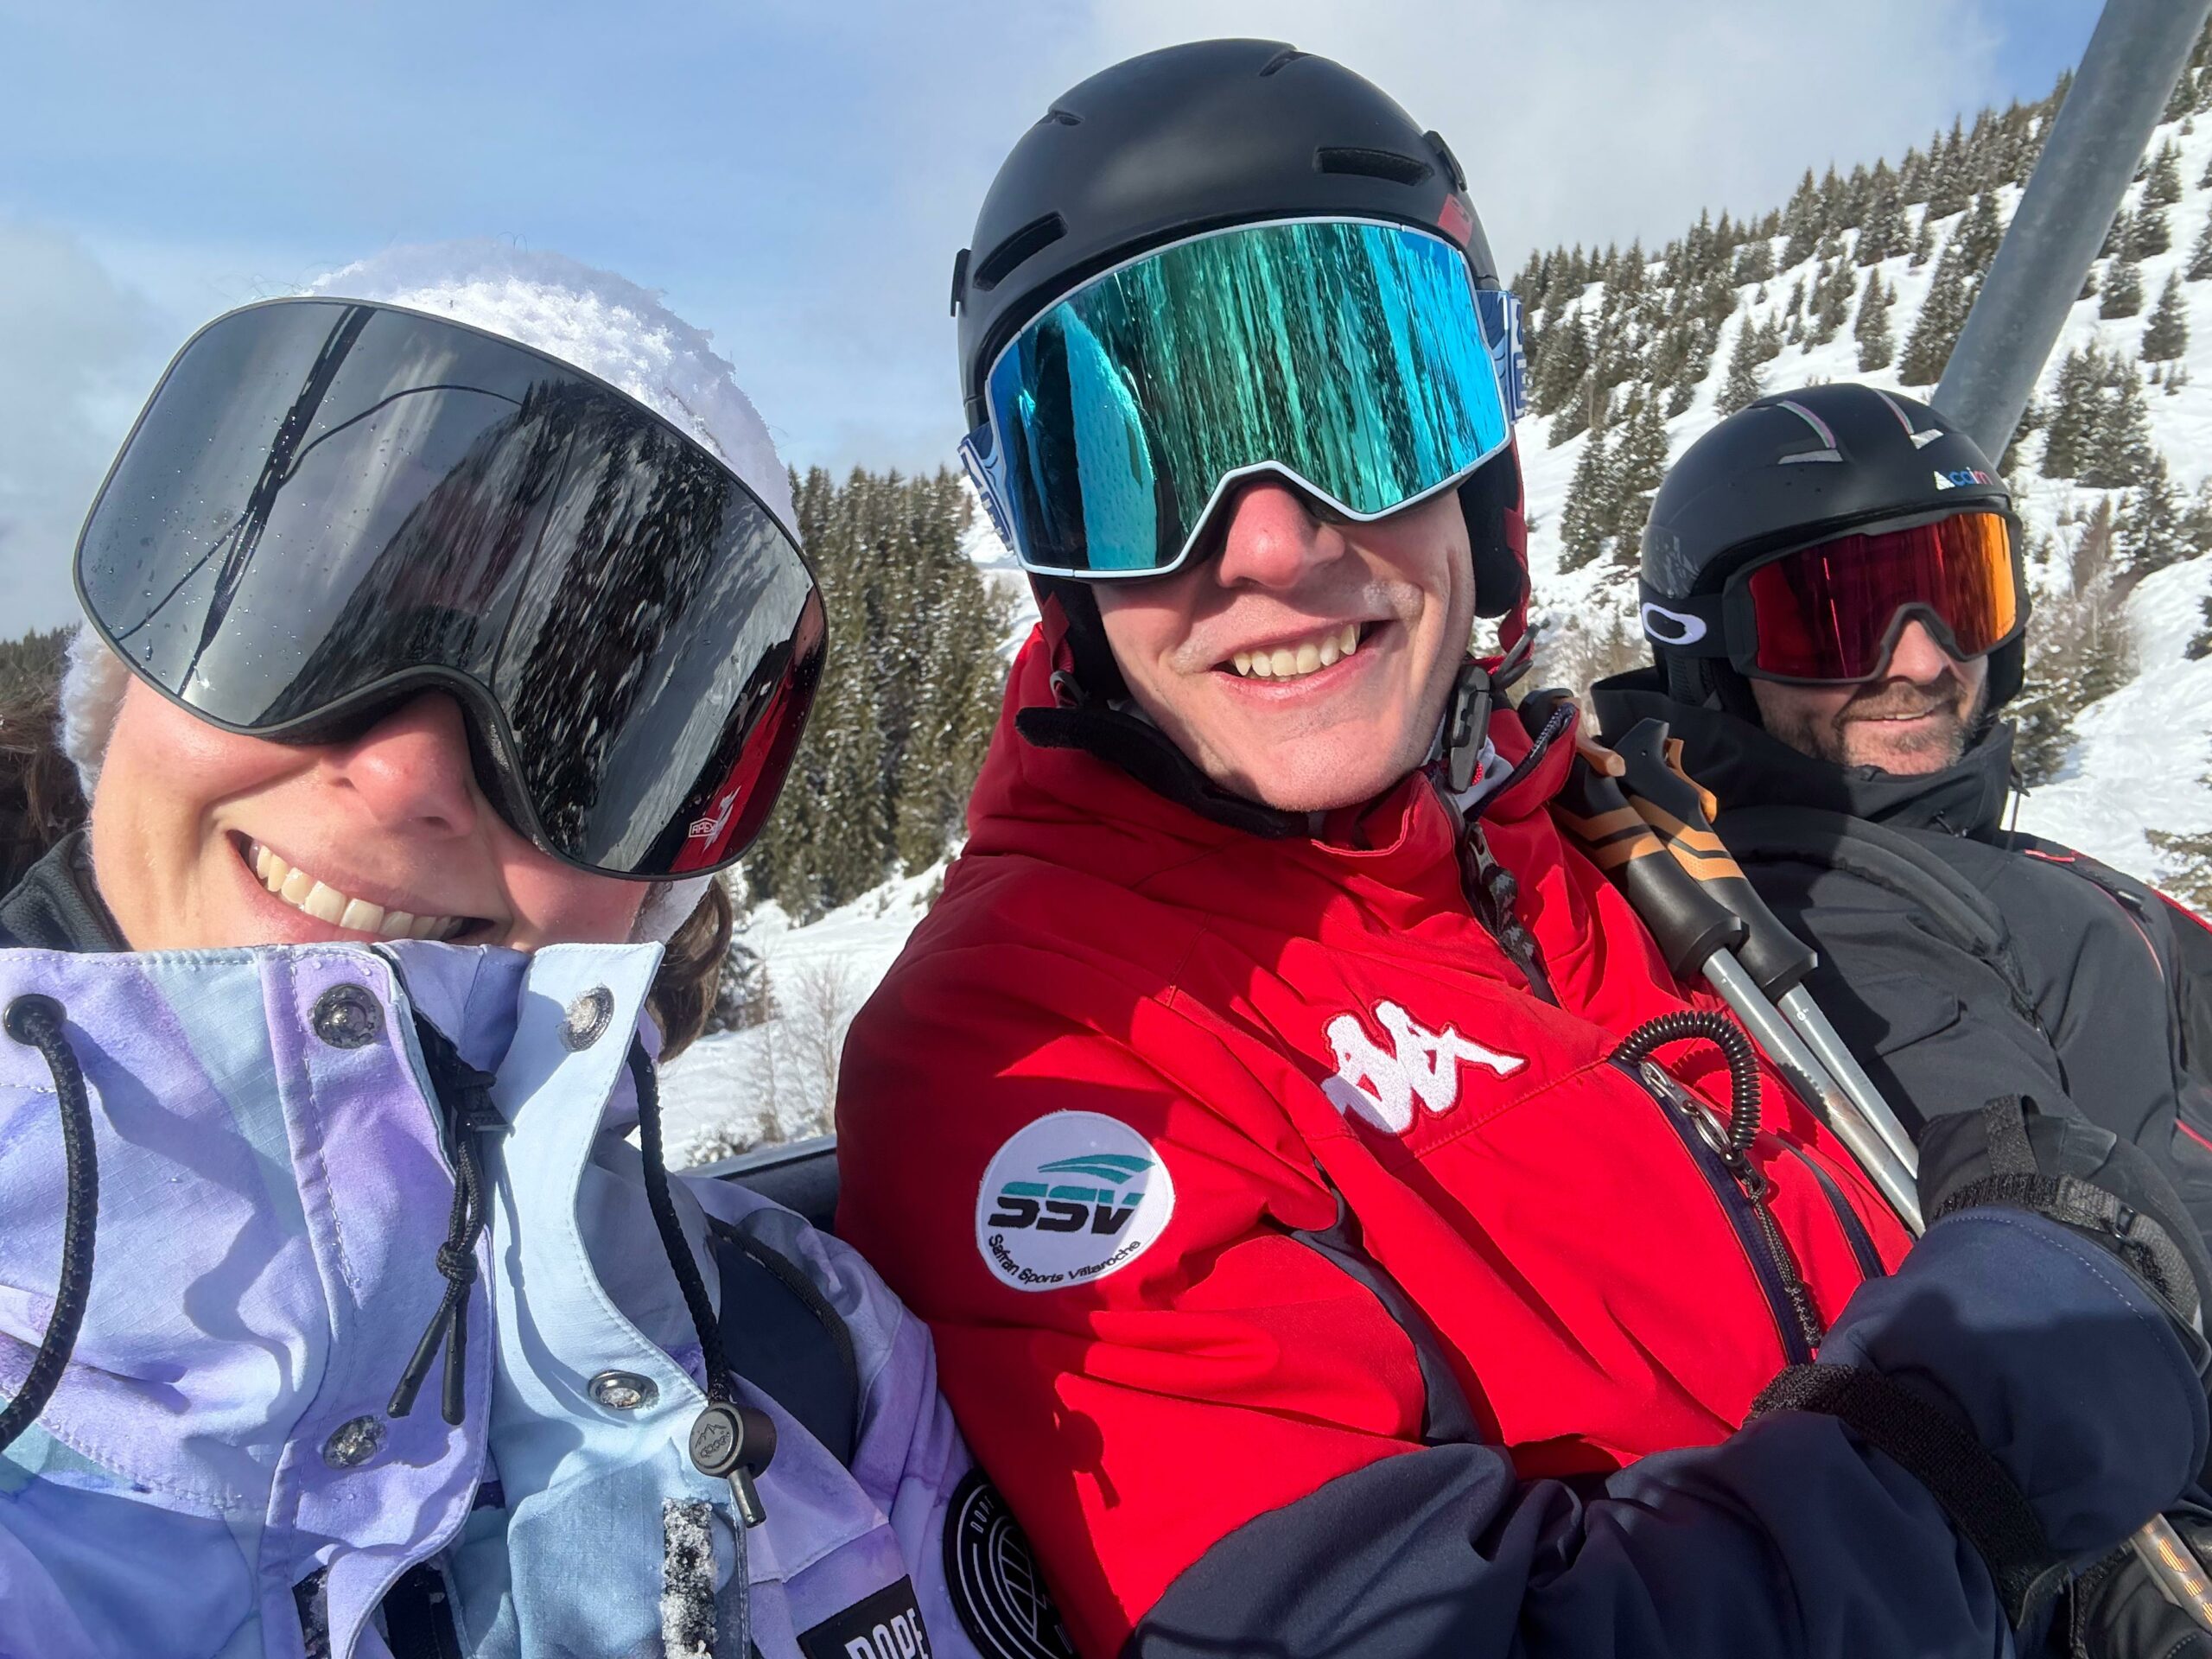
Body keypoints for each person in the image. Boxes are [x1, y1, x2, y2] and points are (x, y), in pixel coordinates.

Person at [835, 40, 2212, 1659]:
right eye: (1131, 476)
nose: (1270, 543)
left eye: (1363, 413)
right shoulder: (1038, 1048)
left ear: (1480, 483)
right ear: (1062, 574)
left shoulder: (1571, 838)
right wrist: (1968, 1444)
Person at [0, 245, 985, 1659]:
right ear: (123, 694)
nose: (406, 775)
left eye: (579, 715)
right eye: (310, 621)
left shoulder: (816, 1354)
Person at [1592, 378, 2212, 1651]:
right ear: (1713, 648)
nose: (1923, 660)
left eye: (1958, 592)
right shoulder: (1833, 911)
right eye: (1836, 618)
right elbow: (2042, 1288)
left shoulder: (1945, 845)